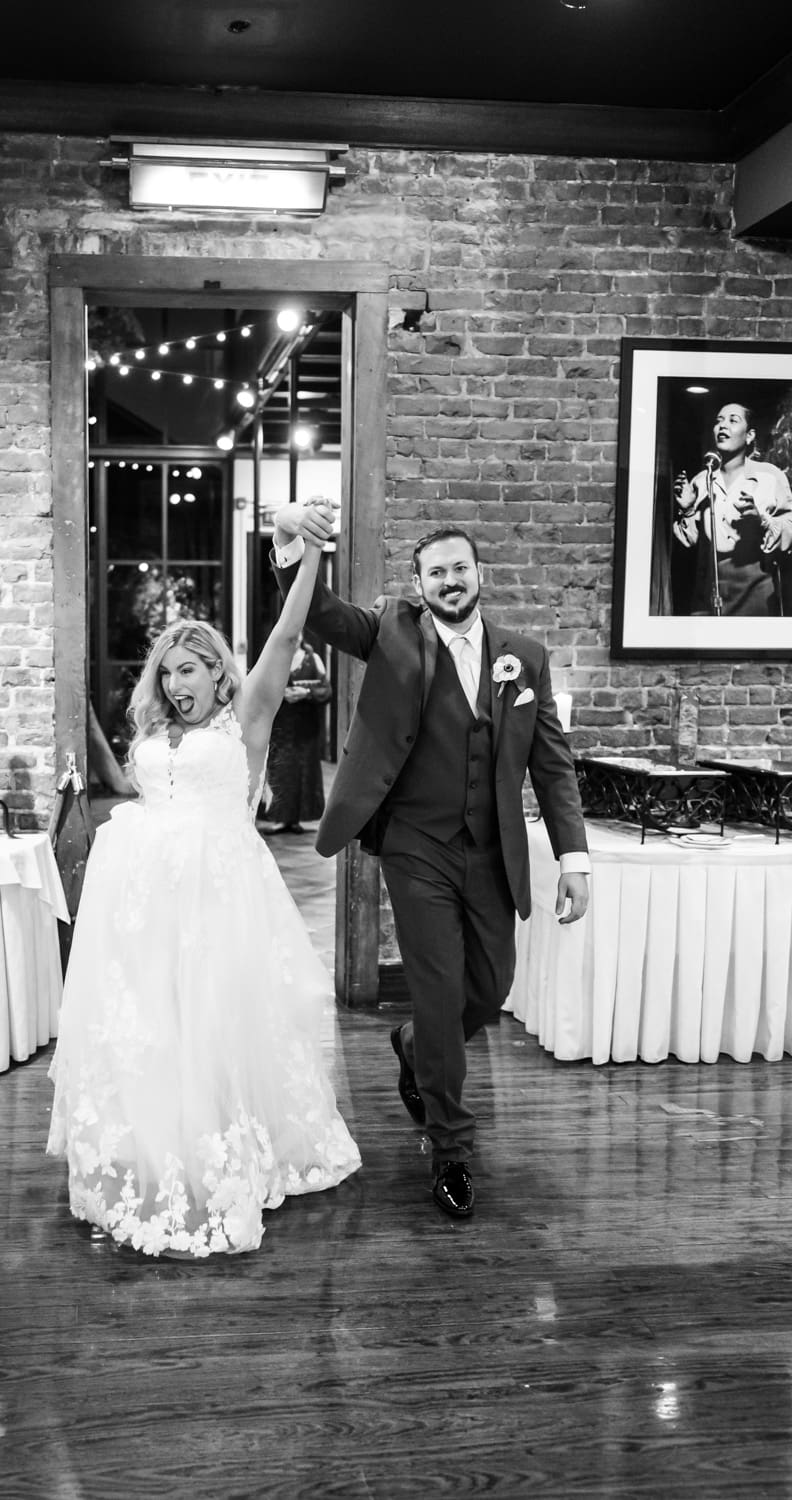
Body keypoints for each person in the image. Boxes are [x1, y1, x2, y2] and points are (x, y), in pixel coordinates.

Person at [47, 526, 360, 1258]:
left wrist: (309, 556)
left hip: (220, 897)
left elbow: (286, 635)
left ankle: (223, 1145)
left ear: (220, 675)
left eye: (191, 671)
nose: (177, 685)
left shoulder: (245, 719)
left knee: (217, 1021)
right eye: (168, 674)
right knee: (152, 1022)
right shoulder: (155, 735)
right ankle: (157, 1140)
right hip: (144, 898)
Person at [271, 503, 589, 1221]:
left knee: (491, 985)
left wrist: (574, 857)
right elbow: (317, 610)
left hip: (492, 850)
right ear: (418, 584)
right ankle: (450, 1145)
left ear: (481, 576)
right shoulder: (389, 631)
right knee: (442, 994)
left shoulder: (524, 658)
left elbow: (555, 766)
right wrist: (292, 539)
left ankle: (414, 1046)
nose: (450, 580)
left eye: (460, 568)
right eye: (436, 571)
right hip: (416, 848)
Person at [672, 402, 792, 616]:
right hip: (712, 598)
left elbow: (790, 528)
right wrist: (688, 510)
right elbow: (690, 544)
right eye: (718, 421)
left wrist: (761, 520)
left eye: (732, 420)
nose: (722, 426)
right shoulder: (702, 480)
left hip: (759, 597)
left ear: (749, 435)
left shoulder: (769, 476)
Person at [262, 632, 331, 834]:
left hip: (305, 725)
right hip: (281, 723)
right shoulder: (274, 659)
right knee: (280, 769)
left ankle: (297, 818)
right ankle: (279, 817)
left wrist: (307, 693)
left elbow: (326, 690)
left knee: (303, 769)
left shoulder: (313, 659)